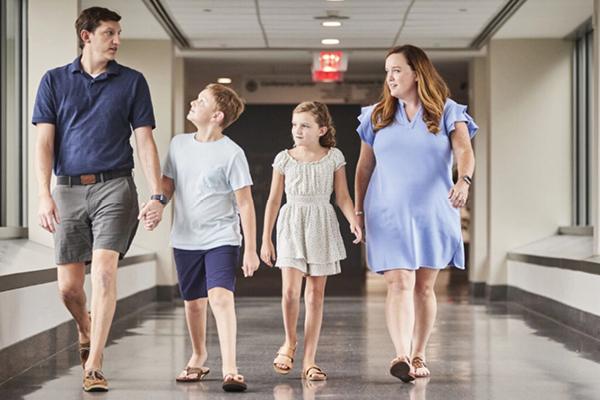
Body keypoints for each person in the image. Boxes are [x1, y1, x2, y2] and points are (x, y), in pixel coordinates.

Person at [33, 7, 165, 392]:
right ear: (86, 35)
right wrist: (44, 194)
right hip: (68, 188)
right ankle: (85, 327)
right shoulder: (55, 80)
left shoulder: (133, 82)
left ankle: (95, 362)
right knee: (69, 288)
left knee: (105, 272)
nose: (116, 40)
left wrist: (157, 193)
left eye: (118, 33)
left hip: (115, 186)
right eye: (109, 33)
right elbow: (44, 142)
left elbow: (145, 141)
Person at [354, 45, 477, 382]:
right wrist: (358, 212)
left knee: (423, 287)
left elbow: (464, 151)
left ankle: (420, 352)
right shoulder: (375, 115)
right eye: (387, 71)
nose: (389, 77)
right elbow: (364, 168)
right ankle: (401, 354)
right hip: (387, 212)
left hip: (433, 211)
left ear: (416, 73)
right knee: (400, 282)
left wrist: (463, 181)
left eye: (396, 70)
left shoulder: (449, 112)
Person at [143, 83, 260, 392]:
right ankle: (198, 356)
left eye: (202, 100)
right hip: (185, 238)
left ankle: (231, 367)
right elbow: (168, 184)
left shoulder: (232, 153)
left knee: (220, 297)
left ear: (217, 115)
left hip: (221, 236)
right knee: (194, 304)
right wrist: (157, 203)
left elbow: (245, 203)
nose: (194, 101)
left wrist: (250, 249)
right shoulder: (179, 144)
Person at [261, 101, 362, 381]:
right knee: (290, 293)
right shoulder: (284, 158)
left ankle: (309, 360)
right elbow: (273, 200)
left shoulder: (334, 157)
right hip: (292, 222)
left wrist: (353, 219)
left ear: (322, 129)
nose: (298, 130)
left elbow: (342, 196)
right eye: (295, 125)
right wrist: (265, 239)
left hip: (321, 221)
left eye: (305, 125)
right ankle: (289, 342)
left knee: (315, 296)